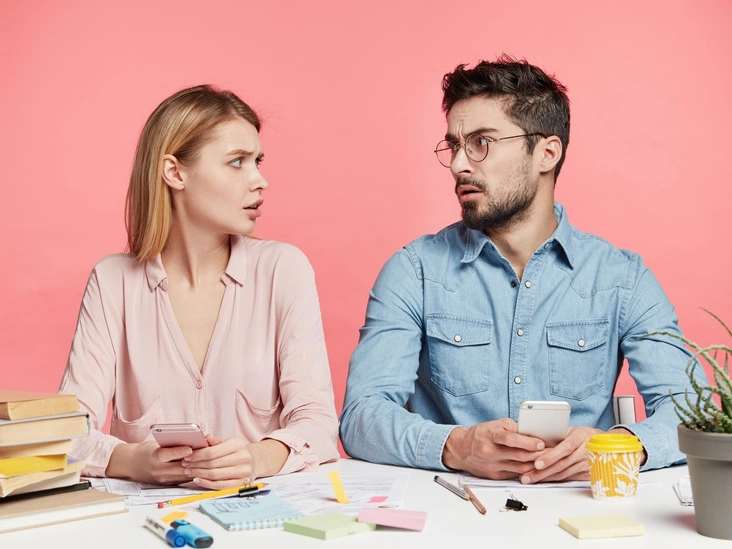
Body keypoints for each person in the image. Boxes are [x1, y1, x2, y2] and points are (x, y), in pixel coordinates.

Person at [339, 56, 704, 483]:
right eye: (454, 146)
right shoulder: (414, 271)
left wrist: (616, 448)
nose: (458, 164)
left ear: (546, 153)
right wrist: (456, 446)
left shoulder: (622, 279)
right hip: (452, 507)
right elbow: (361, 415)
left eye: (481, 142)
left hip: (582, 508)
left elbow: (693, 412)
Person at [59, 85, 339, 489]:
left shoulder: (284, 269)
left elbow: (318, 421)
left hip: (263, 514)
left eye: (257, 161)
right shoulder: (112, 281)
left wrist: (256, 458)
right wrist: (135, 461)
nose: (260, 180)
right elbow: (67, 433)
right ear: (175, 173)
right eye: (237, 162)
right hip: (145, 519)